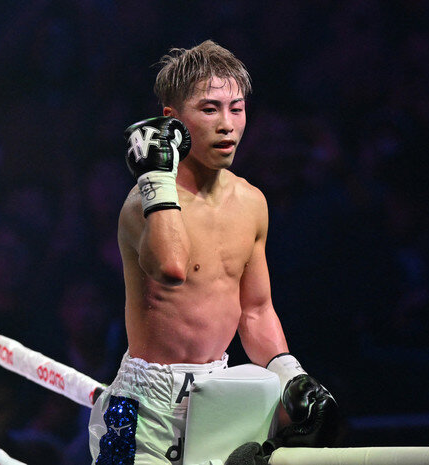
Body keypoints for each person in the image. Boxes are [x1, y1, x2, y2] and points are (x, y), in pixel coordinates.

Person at [88, 40, 338, 464]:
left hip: (220, 398)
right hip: (145, 409)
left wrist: (290, 374)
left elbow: (255, 310)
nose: (227, 124)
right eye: (209, 109)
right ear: (172, 120)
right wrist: (156, 179)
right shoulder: (140, 204)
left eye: (236, 109)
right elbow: (170, 267)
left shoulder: (252, 202)